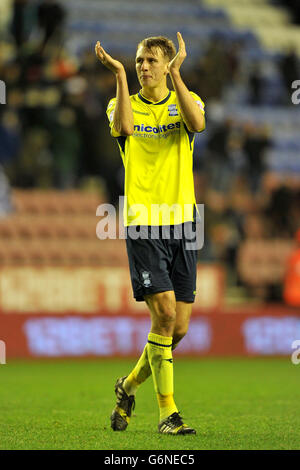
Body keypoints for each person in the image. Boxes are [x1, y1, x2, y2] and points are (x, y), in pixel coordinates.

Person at [95, 32, 205, 435]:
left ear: (167, 65)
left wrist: (179, 76)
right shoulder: (120, 104)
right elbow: (124, 126)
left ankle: (127, 386)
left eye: (152, 61)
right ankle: (168, 413)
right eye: (140, 60)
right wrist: (120, 74)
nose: (144, 66)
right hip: (144, 221)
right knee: (164, 314)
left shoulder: (185, 102)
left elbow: (199, 123)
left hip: (186, 222)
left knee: (177, 329)